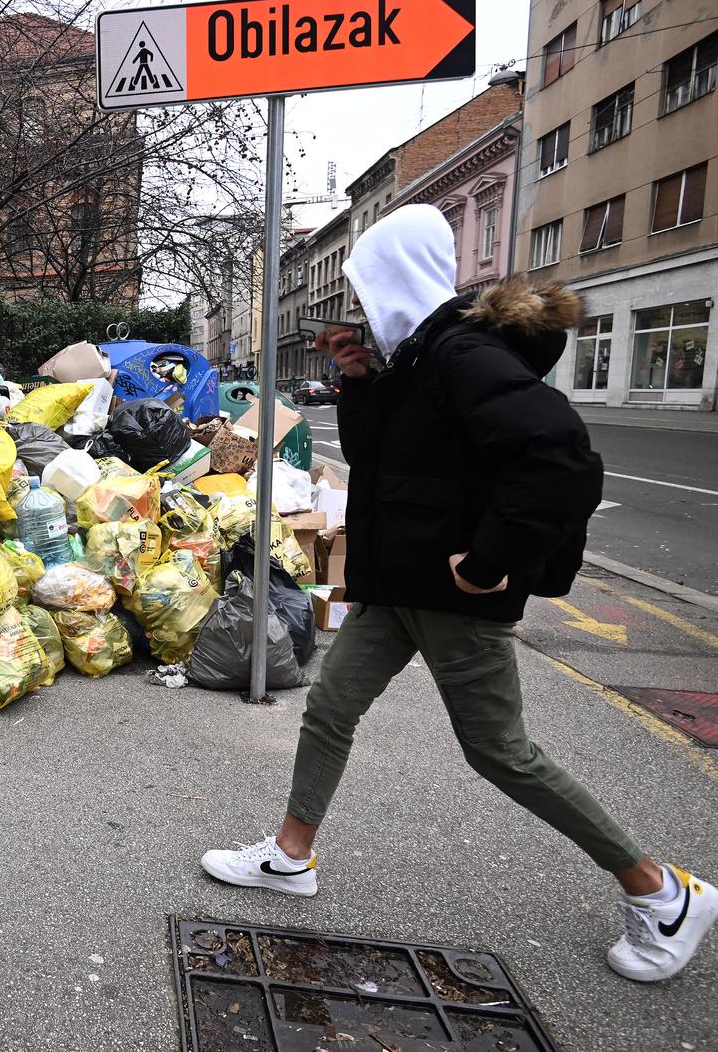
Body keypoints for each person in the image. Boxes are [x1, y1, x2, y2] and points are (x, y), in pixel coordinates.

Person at [199, 205, 713, 983]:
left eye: (367, 283)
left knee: (500, 751)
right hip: (396, 586)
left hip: (450, 597)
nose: (360, 303)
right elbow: (382, 461)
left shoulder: (462, 352)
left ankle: (661, 891)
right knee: (330, 707)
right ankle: (291, 857)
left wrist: (488, 561)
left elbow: (562, 460)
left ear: (397, 278)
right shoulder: (415, 358)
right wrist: (358, 380)